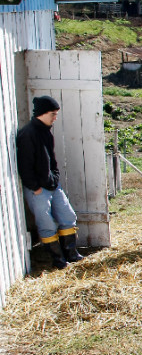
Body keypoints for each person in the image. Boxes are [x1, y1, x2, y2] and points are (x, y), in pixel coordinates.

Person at [16, 96, 83, 269]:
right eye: (53, 114)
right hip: (38, 189)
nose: (55, 117)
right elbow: (24, 164)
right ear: (42, 113)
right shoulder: (28, 134)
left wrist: (55, 177)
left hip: (52, 185)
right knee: (46, 225)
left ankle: (72, 254)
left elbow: (52, 160)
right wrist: (35, 187)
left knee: (68, 216)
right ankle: (58, 260)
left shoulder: (45, 131)